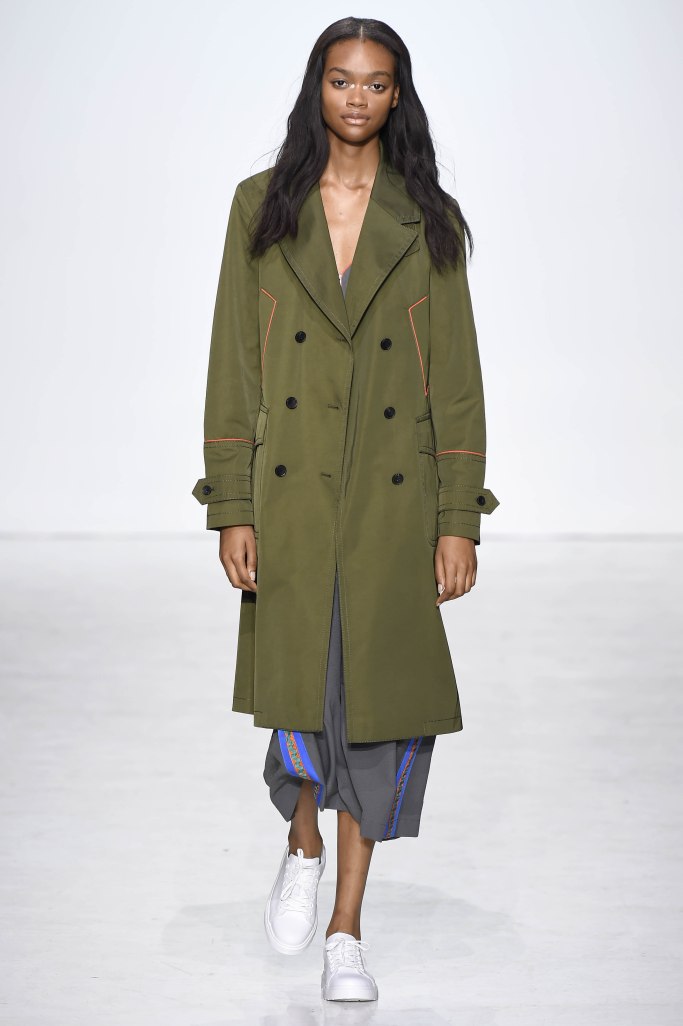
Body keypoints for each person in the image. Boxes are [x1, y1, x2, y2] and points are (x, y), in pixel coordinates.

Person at [192, 16, 500, 1003]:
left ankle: (346, 930)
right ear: (314, 87)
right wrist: (232, 503)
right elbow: (233, 365)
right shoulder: (260, 208)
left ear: (396, 94)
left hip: (387, 502)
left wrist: (456, 518)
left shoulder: (427, 219)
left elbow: (455, 380)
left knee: (376, 714)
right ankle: (303, 844)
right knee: (301, 700)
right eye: (340, 79)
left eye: (373, 82)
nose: (356, 97)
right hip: (290, 496)